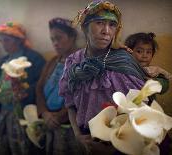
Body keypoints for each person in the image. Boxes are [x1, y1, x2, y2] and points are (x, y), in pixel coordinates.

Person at [59, 1, 149, 154]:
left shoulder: (123, 60)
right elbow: (70, 104)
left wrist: (113, 147)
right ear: (84, 27)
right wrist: (78, 135)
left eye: (112, 25)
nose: (106, 31)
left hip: (119, 141)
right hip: (84, 138)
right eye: (99, 23)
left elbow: (140, 108)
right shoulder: (73, 61)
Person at [0, 21, 45, 155]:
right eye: (1, 41)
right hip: (5, 113)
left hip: (24, 111)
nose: (3, 44)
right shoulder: (3, 60)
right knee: (7, 145)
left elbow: (42, 83)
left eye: (6, 40)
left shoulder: (34, 58)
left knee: (25, 147)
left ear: (18, 40)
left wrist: (26, 92)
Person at [36, 17, 80, 154]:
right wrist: (44, 113)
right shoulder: (53, 61)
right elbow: (39, 88)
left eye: (59, 38)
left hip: (69, 126)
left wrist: (58, 117)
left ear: (72, 37)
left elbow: (80, 96)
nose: (55, 43)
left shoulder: (82, 62)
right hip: (49, 121)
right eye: (52, 40)